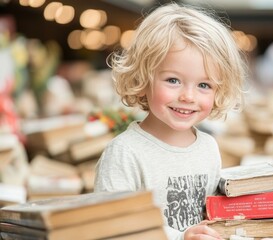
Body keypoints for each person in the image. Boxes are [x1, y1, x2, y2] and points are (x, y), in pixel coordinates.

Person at [94, 3, 247, 240]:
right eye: (173, 80)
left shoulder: (208, 147)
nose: (188, 96)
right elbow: (113, 227)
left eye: (204, 85)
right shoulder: (124, 154)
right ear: (143, 79)